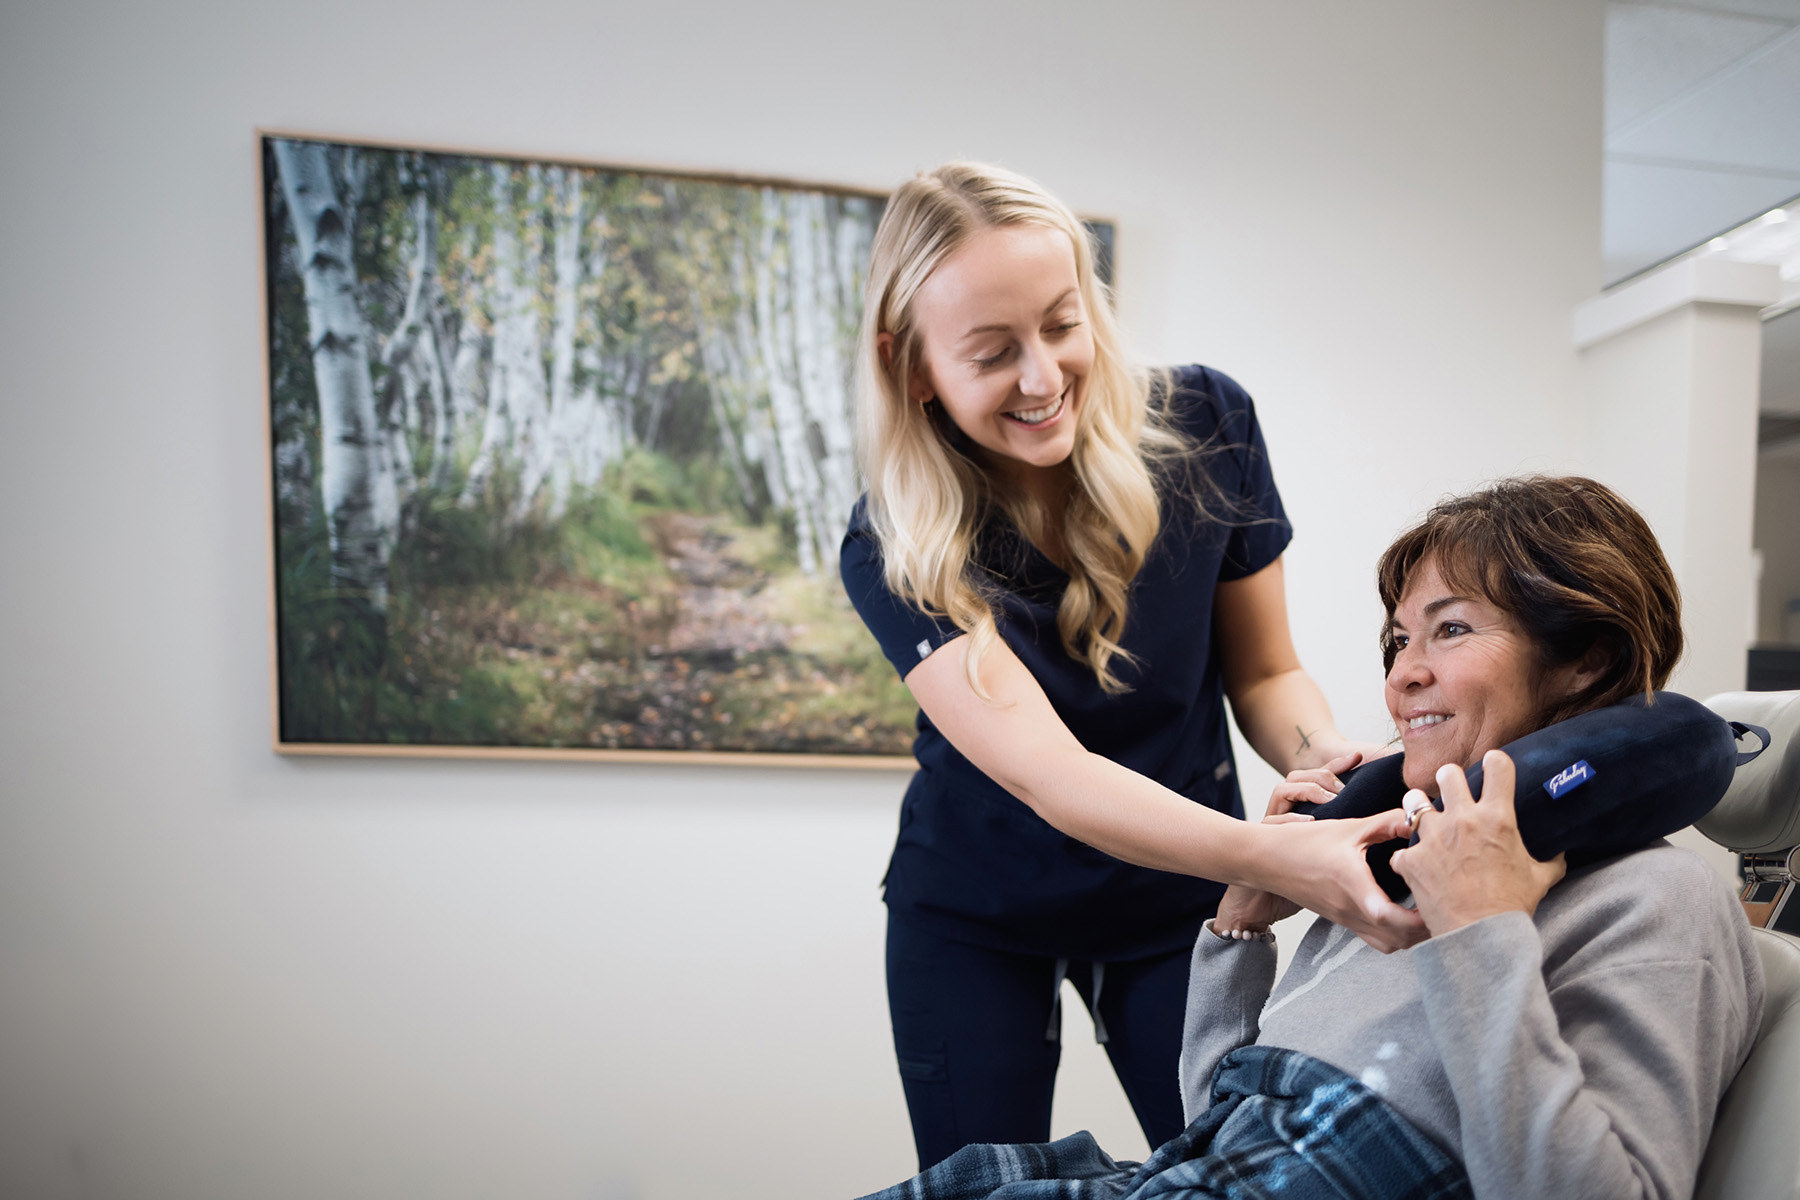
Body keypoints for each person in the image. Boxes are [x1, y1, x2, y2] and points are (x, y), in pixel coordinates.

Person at [858, 475, 1764, 1200]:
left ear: (1587, 659)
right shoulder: (1389, 868)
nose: (1404, 674)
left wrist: (1485, 932)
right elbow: (1220, 1130)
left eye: (1449, 630)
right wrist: (1241, 926)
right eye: (1396, 641)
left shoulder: (1656, 902)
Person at [839, 160, 1421, 1169]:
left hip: (1176, 901)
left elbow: (1266, 675)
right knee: (986, 1189)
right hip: (977, 915)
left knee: (1228, 1173)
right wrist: (1282, 859)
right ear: (912, 364)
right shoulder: (895, 543)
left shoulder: (1208, 425)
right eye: (991, 352)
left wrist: (1322, 756)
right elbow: (1051, 776)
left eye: (1062, 325)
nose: (1041, 377)